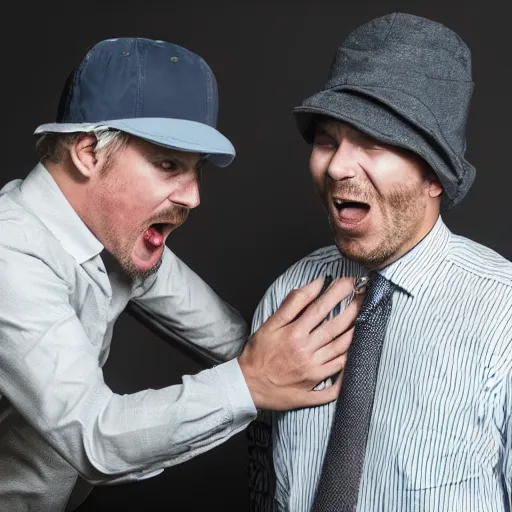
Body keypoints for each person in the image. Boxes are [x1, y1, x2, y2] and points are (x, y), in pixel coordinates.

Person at [0, 37, 363, 511]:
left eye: (196, 171)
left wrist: (345, 367)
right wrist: (249, 384)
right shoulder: (12, 252)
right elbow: (95, 436)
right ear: (87, 152)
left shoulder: (115, 238)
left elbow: (239, 343)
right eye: (168, 164)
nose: (193, 197)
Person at [247, 12, 511, 512]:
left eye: (372, 141)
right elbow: (264, 485)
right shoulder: (288, 296)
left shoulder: (504, 316)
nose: (339, 166)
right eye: (328, 140)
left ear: (436, 176)